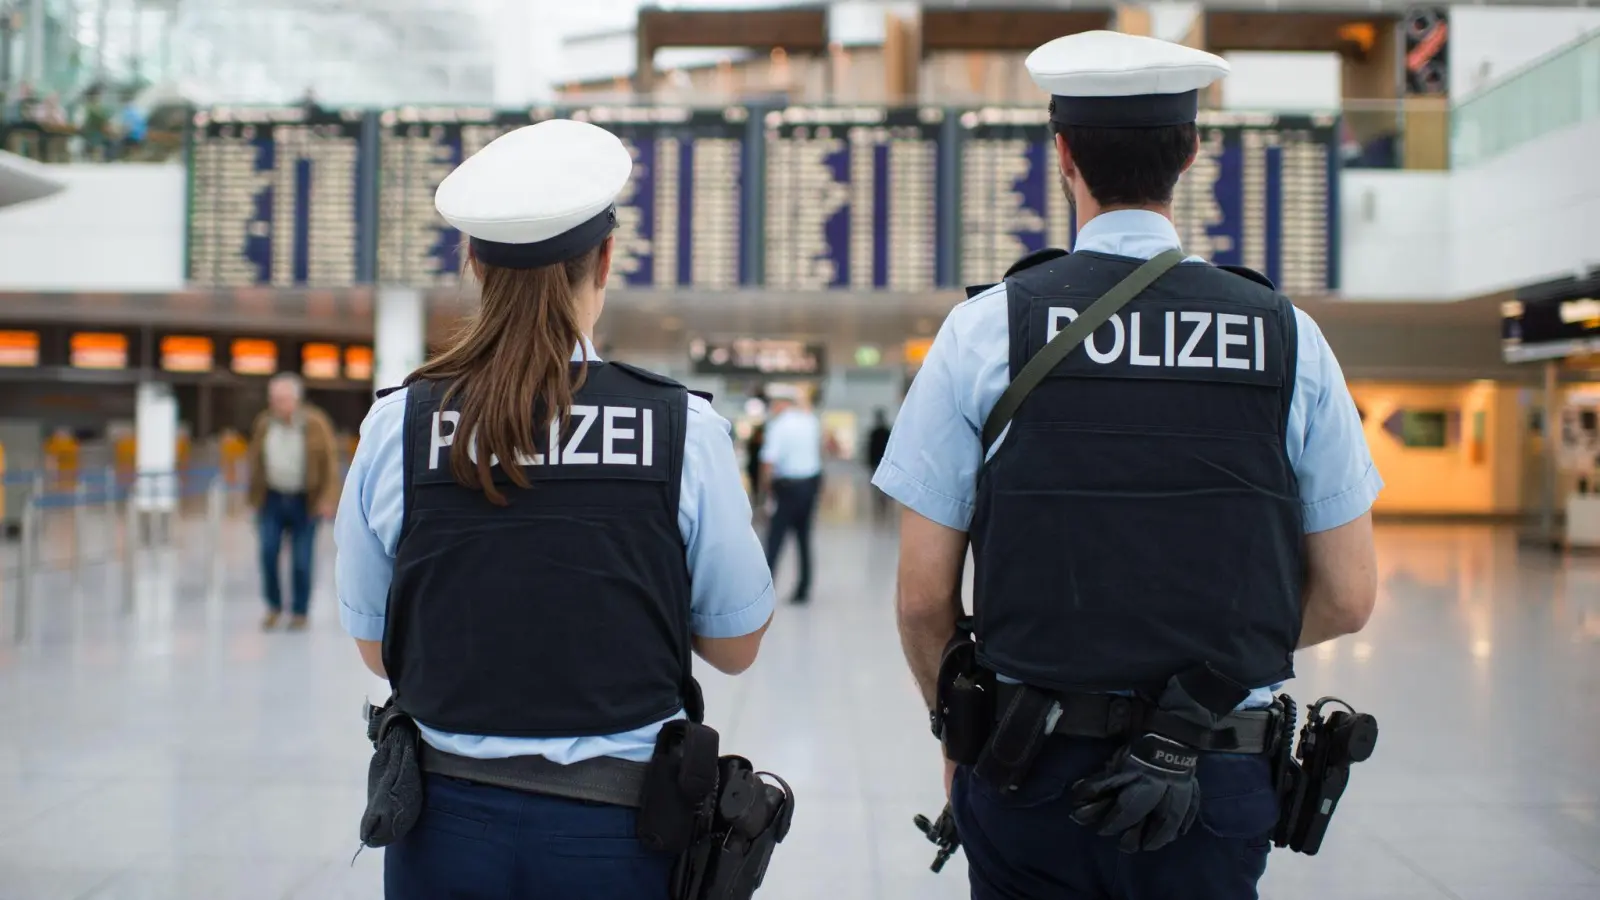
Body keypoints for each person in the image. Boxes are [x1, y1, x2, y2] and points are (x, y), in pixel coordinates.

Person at [872, 31, 1382, 900]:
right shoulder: (1287, 338)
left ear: (1062, 155)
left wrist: (961, 733)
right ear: (1190, 153)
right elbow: (1347, 595)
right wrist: (1188, 668)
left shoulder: (986, 330)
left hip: (1028, 766)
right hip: (1215, 774)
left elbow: (924, 601)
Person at [333, 118, 774, 898]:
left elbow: (378, 648)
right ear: (605, 259)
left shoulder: (398, 426)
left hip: (441, 830)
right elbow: (735, 646)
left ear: (474, 264)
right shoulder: (681, 429)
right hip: (619, 836)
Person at [249, 373, 341, 631]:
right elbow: (255, 461)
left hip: (305, 501)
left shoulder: (315, 423)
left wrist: (328, 498)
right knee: (268, 552)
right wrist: (254, 497)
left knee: (301, 560)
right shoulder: (264, 423)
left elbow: (330, 464)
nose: (277, 404)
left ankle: (300, 611)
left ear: (296, 399)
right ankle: (273, 607)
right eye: (274, 399)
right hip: (272, 500)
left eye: (283, 399)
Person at [760, 383, 823, 604]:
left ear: (782, 404)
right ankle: (803, 589)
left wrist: (766, 493)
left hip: (786, 488)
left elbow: (768, 462)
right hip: (810, 485)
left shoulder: (778, 425)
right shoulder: (810, 421)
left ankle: (765, 589)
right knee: (803, 538)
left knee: (775, 539)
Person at [865, 408, 892, 519]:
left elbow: (870, 449)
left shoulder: (874, 433)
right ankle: (883, 504)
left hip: (876, 462)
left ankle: (879, 505)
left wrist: (869, 462)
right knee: (883, 486)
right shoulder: (887, 432)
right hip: (883, 462)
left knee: (877, 486)